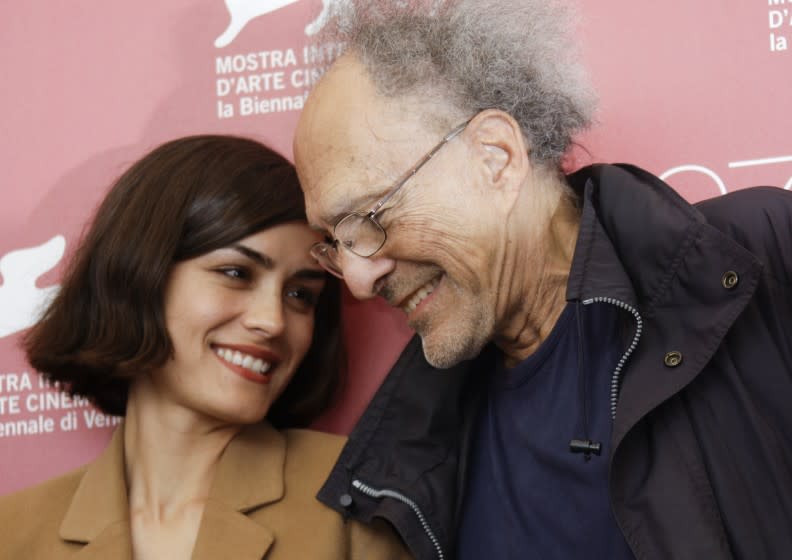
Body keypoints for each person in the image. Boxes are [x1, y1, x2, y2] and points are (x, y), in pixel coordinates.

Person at [292, 1, 792, 559]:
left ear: (496, 159)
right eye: (335, 242)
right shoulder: (414, 454)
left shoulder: (766, 253)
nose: (358, 280)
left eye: (371, 217)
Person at [0, 135, 410, 559]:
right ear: (141, 276)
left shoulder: (359, 493)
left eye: (300, 296)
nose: (271, 322)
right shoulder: (11, 533)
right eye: (236, 273)